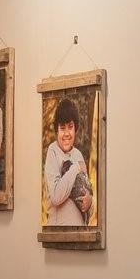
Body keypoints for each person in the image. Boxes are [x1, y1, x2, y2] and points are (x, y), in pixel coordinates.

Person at [44, 97, 94, 226]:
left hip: (80, 235)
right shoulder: (53, 151)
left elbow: (86, 191)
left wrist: (89, 202)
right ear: (57, 130)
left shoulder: (78, 155)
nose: (67, 133)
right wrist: (76, 168)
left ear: (75, 128)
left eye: (70, 127)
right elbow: (56, 197)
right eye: (62, 128)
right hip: (58, 235)